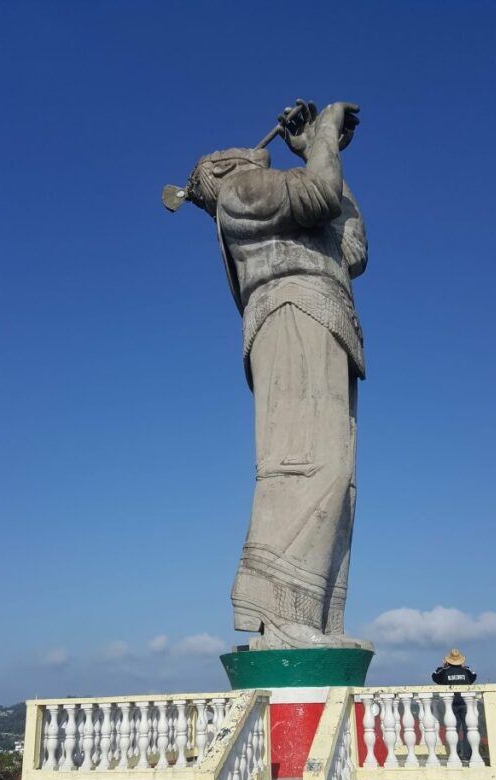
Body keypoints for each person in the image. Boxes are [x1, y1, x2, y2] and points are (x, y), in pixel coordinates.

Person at [186, 101, 370, 650]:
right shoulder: (242, 194)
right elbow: (317, 194)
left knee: (337, 476)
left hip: (324, 316)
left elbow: (353, 246)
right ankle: (279, 614)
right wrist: (324, 136)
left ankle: (311, 617)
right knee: (305, 463)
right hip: (292, 311)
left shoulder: (282, 197)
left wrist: (321, 149)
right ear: (216, 175)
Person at [432, 648, 477, 761]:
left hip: (452, 705)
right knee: (468, 729)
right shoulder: (466, 671)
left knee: (453, 729)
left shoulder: (445, 672)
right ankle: (467, 755)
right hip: (466, 703)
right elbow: (474, 676)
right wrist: (463, 667)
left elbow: (434, 676)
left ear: (448, 661)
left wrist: (443, 666)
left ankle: (455, 753)